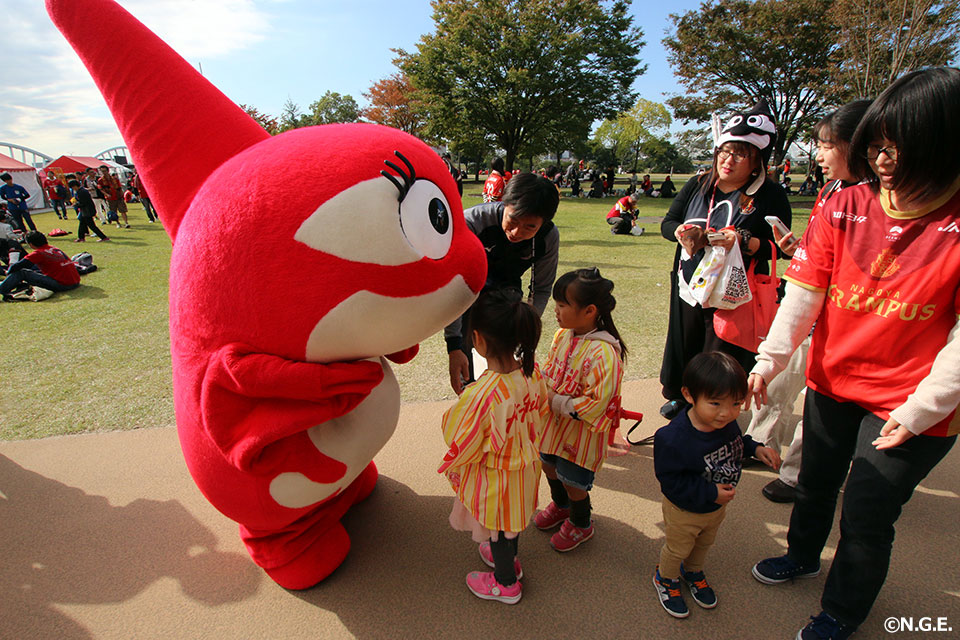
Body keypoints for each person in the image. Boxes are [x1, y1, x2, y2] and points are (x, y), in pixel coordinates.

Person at [747, 68, 960, 640]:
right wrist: (768, 360)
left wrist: (919, 411)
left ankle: (842, 610)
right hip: (832, 381)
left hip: (912, 405)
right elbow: (805, 292)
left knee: (867, 514)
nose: (882, 159)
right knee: (814, 481)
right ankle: (801, 555)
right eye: (875, 144)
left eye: (897, 146)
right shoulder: (847, 203)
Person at [745, 99, 872, 504]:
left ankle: (799, 472)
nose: (818, 155)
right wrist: (796, 248)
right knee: (779, 382)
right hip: (806, 306)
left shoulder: (879, 201)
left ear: (856, 146)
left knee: (822, 404)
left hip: (842, 321)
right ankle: (759, 443)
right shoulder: (834, 189)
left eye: (826, 145)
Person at [658, 99, 792, 421]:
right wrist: (683, 233)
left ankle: (715, 407)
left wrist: (744, 241)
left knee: (719, 352)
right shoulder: (699, 183)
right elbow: (668, 223)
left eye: (740, 154)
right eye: (724, 151)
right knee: (685, 343)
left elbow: (781, 245)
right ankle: (682, 396)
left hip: (735, 292)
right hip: (690, 283)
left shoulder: (770, 194)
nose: (728, 160)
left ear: (757, 160)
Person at [438, 288, 548, 605]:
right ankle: (509, 560)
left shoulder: (481, 394)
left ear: (478, 339)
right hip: (526, 467)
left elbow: (459, 436)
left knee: (499, 527)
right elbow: (540, 411)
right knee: (511, 521)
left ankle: (505, 582)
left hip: (498, 477)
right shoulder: (532, 373)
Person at [653, 352, 780, 618]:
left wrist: (755, 449)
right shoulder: (673, 438)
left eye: (735, 403)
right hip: (684, 509)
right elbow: (670, 481)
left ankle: (694, 571)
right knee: (678, 548)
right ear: (688, 395)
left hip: (715, 506)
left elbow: (736, 441)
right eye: (715, 403)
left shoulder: (724, 423)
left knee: (704, 543)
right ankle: (666, 578)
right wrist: (710, 492)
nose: (727, 413)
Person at [535, 268, 626, 552]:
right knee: (548, 465)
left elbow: (597, 403)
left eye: (563, 306)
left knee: (574, 481)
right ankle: (561, 506)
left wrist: (555, 401)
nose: (557, 311)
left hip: (580, 435)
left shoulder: (605, 354)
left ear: (589, 311)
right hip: (552, 426)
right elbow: (549, 369)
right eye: (556, 305)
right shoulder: (562, 335)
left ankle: (581, 522)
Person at [445, 172, 560, 394]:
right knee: (467, 369)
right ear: (503, 203)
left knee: (508, 366)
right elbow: (455, 285)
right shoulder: (472, 223)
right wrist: (453, 346)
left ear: (543, 222)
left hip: (508, 294)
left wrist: (528, 335)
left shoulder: (548, 236)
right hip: (468, 293)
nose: (517, 232)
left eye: (530, 227)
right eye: (513, 221)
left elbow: (541, 288)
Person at [0, 231, 80, 300]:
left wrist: (7, 272)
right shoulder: (54, 249)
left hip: (63, 285)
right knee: (33, 271)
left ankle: (1, 288)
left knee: (22, 272)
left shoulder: (38, 253)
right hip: (75, 281)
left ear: (30, 244)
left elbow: (16, 266)